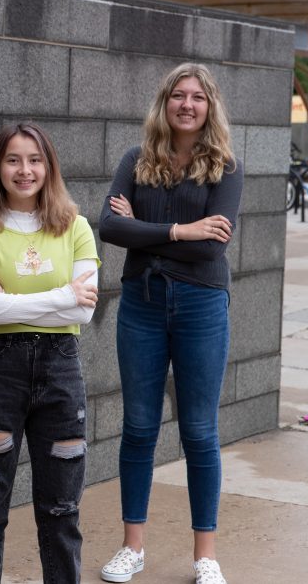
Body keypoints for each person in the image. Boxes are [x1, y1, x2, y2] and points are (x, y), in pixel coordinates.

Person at [98, 63, 242, 584]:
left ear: (210, 106)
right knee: (138, 428)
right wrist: (182, 230)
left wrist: (145, 229)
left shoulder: (225, 166)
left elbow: (215, 244)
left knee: (199, 431)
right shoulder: (137, 160)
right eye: (178, 95)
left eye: (197, 97)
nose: (187, 104)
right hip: (142, 303)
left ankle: (205, 556)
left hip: (202, 305)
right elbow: (109, 227)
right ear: (164, 103)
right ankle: (131, 547)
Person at [0, 122, 99, 584]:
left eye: (35, 159)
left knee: (61, 511)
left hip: (60, 371)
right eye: (13, 159)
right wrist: (62, 297)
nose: (25, 170)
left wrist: (10, 303)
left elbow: (87, 311)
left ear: (49, 167)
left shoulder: (75, 227)